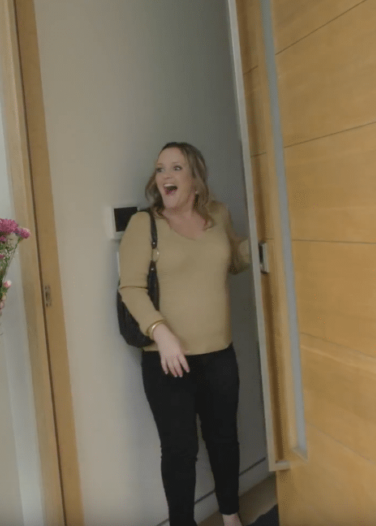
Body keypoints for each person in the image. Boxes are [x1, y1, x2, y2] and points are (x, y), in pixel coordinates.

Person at [118, 142, 250, 526]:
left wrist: (264, 243)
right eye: (160, 169)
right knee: (180, 451)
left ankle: (231, 517)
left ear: (195, 177)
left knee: (224, 440)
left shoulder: (218, 215)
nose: (165, 177)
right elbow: (131, 288)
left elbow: (234, 262)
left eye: (176, 168)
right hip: (166, 361)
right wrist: (162, 333)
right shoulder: (145, 225)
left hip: (220, 354)